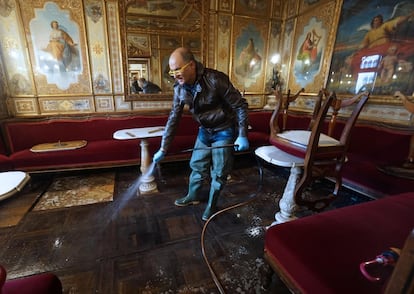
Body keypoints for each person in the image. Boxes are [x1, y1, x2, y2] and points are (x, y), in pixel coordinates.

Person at [152, 47, 249, 221]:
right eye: (171, 71)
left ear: (191, 65)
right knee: (197, 165)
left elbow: (240, 105)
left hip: (224, 129)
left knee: (219, 172)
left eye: (178, 70)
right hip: (205, 130)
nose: (174, 75)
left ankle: (211, 205)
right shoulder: (179, 89)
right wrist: (163, 148)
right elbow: (174, 118)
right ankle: (193, 196)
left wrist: (242, 134)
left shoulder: (215, 79)